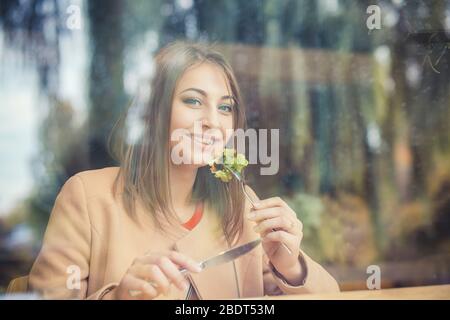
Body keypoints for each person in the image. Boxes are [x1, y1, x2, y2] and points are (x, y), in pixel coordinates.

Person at [29, 41, 339, 300]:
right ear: (153, 114)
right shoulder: (87, 197)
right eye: (193, 101)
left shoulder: (242, 206)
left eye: (225, 107)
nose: (212, 122)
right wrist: (118, 296)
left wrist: (292, 266)